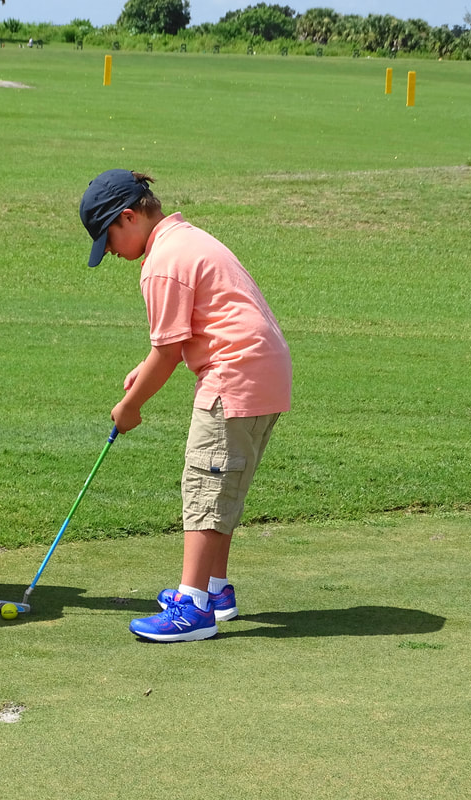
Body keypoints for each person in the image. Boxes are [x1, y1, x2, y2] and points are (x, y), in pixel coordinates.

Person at [79, 170, 292, 642]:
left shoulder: (162, 262)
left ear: (129, 217)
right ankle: (215, 591)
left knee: (205, 484)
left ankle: (192, 606)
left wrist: (130, 407)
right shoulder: (187, 239)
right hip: (265, 373)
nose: (110, 252)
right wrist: (144, 368)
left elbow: (169, 352)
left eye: (108, 239)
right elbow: (184, 334)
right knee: (224, 483)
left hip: (233, 376)